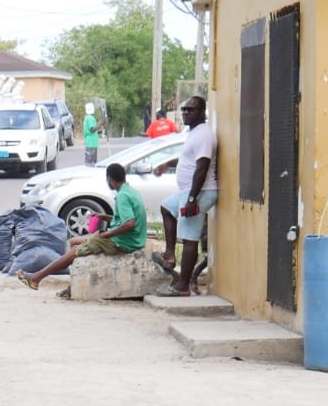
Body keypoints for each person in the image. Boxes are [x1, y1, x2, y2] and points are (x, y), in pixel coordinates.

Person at [17, 162, 147, 290]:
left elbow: (130, 224)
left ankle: (36, 278)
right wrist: (104, 217)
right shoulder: (130, 191)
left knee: (75, 251)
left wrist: (107, 234)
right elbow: (123, 220)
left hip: (124, 242)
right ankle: (72, 286)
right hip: (130, 238)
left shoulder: (122, 196)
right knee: (74, 241)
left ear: (110, 179)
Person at [152, 96, 218, 296]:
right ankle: (170, 255)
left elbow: (202, 167)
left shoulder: (204, 135)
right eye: (184, 110)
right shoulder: (194, 133)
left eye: (191, 110)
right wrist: (168, 165)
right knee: (166, 208)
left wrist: (191, 199)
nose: (186, 113)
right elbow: (187, 158)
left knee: (190, 238)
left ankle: (182, 287)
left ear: (201, 112)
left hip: (200, 192)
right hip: (188, 192)